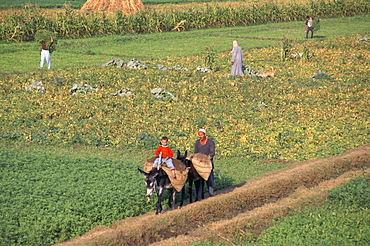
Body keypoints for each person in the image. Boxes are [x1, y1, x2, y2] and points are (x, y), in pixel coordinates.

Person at [194, 129, 215, 200]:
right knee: (199, 180)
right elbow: (195, 152)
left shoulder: (210, 142)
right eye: (199, 135)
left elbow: (212, 152)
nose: (200, 136)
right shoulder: (197, 142)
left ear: (205, 135)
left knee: (210, 180)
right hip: (200, 164)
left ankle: (211, 194)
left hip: (208, 164)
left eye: (202, 135)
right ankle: (199, 196)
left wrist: (207, 158)